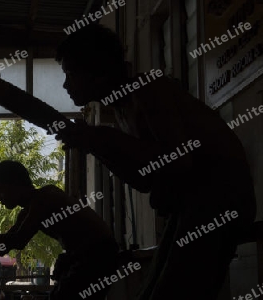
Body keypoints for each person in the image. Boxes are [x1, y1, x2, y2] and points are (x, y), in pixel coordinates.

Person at [53, 24, 257, 299]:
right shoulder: (123, 109)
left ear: (97, 68)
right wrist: (96, 145)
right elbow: (145, 180)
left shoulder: (148, 89)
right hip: (194, 204)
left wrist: (102, 139)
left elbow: (178, 162)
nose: (66, 84)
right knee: (152, 291)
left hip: (219, 200)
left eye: (70, 73)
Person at [0, 160, 118, 300]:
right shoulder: (32, 207)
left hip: (97, 256)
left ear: (14, 184)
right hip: (92, 255)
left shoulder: (44, 199)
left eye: (0, 191)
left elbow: (14, 241)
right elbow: (5, 246)